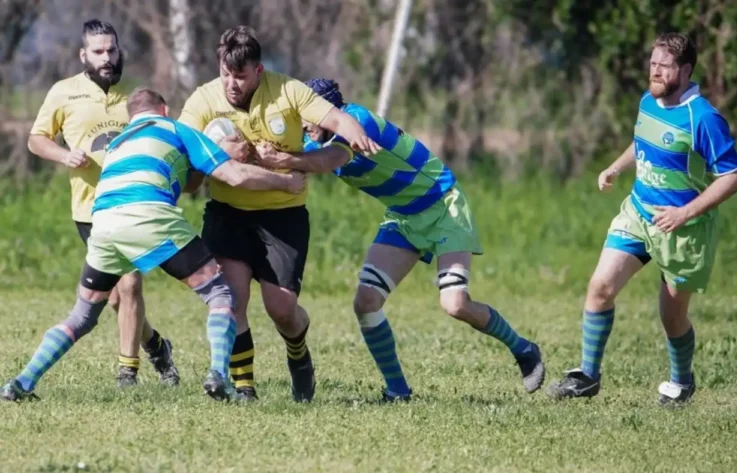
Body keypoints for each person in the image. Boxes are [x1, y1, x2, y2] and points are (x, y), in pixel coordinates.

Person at [2, 88, 306, 403]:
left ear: (131, 117)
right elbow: (234, 176)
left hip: (103, 222)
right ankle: (218, 375)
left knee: (82, 315)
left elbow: (186, 178)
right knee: (220, 294)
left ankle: (21, 382)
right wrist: (285, 182)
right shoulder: (175, 129)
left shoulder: (118, 142)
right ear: (164, 109)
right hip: (148, 214)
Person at [254, 78, 546, 401]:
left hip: (442, 204)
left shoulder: (359, 122)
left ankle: (524, 349)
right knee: (366, 302)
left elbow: (329, 161)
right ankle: (398, 391)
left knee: (455, 304)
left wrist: (283, 160)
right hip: (404, 216)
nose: (305, 123)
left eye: (310, 113)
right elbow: (296, 161)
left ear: (329, 111)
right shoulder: (315, 140)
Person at [178, 26, 379, 402]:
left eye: (239, 76)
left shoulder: (287, 90)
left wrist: (357, 135)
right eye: (225, 73)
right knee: (233, 300)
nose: (231, 83)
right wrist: (216, 157)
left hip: (283, 216)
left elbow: (337, 119)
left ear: (258, 71)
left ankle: (299, 357)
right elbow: (182, 150)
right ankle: (244, 389)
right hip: (228, 211)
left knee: (282, 309)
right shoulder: (203, 100)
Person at [545, 33, 737, 406]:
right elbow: (642, 143)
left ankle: (681, 382)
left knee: (672, 317)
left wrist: (685, 212)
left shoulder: (703, 119)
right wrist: (615, 167)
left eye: (663, 66)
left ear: (685, 70)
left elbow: (733, 177)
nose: (654, 71)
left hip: (683, 229)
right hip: (638, 213)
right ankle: (588, 375)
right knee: (600, 287)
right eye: (652, 64)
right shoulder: (648, 101)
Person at [27, 19, 177, 387]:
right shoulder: (64, 93)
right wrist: (64, 156)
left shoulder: (135, 97)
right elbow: (36, 139)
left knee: (129, 287)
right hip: (87, 211)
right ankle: (156, 345)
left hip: (130, 205)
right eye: (98, 51)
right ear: (83, 55)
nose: (107, 57)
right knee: (113, 299)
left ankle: (128, 372)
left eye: (111, 50)